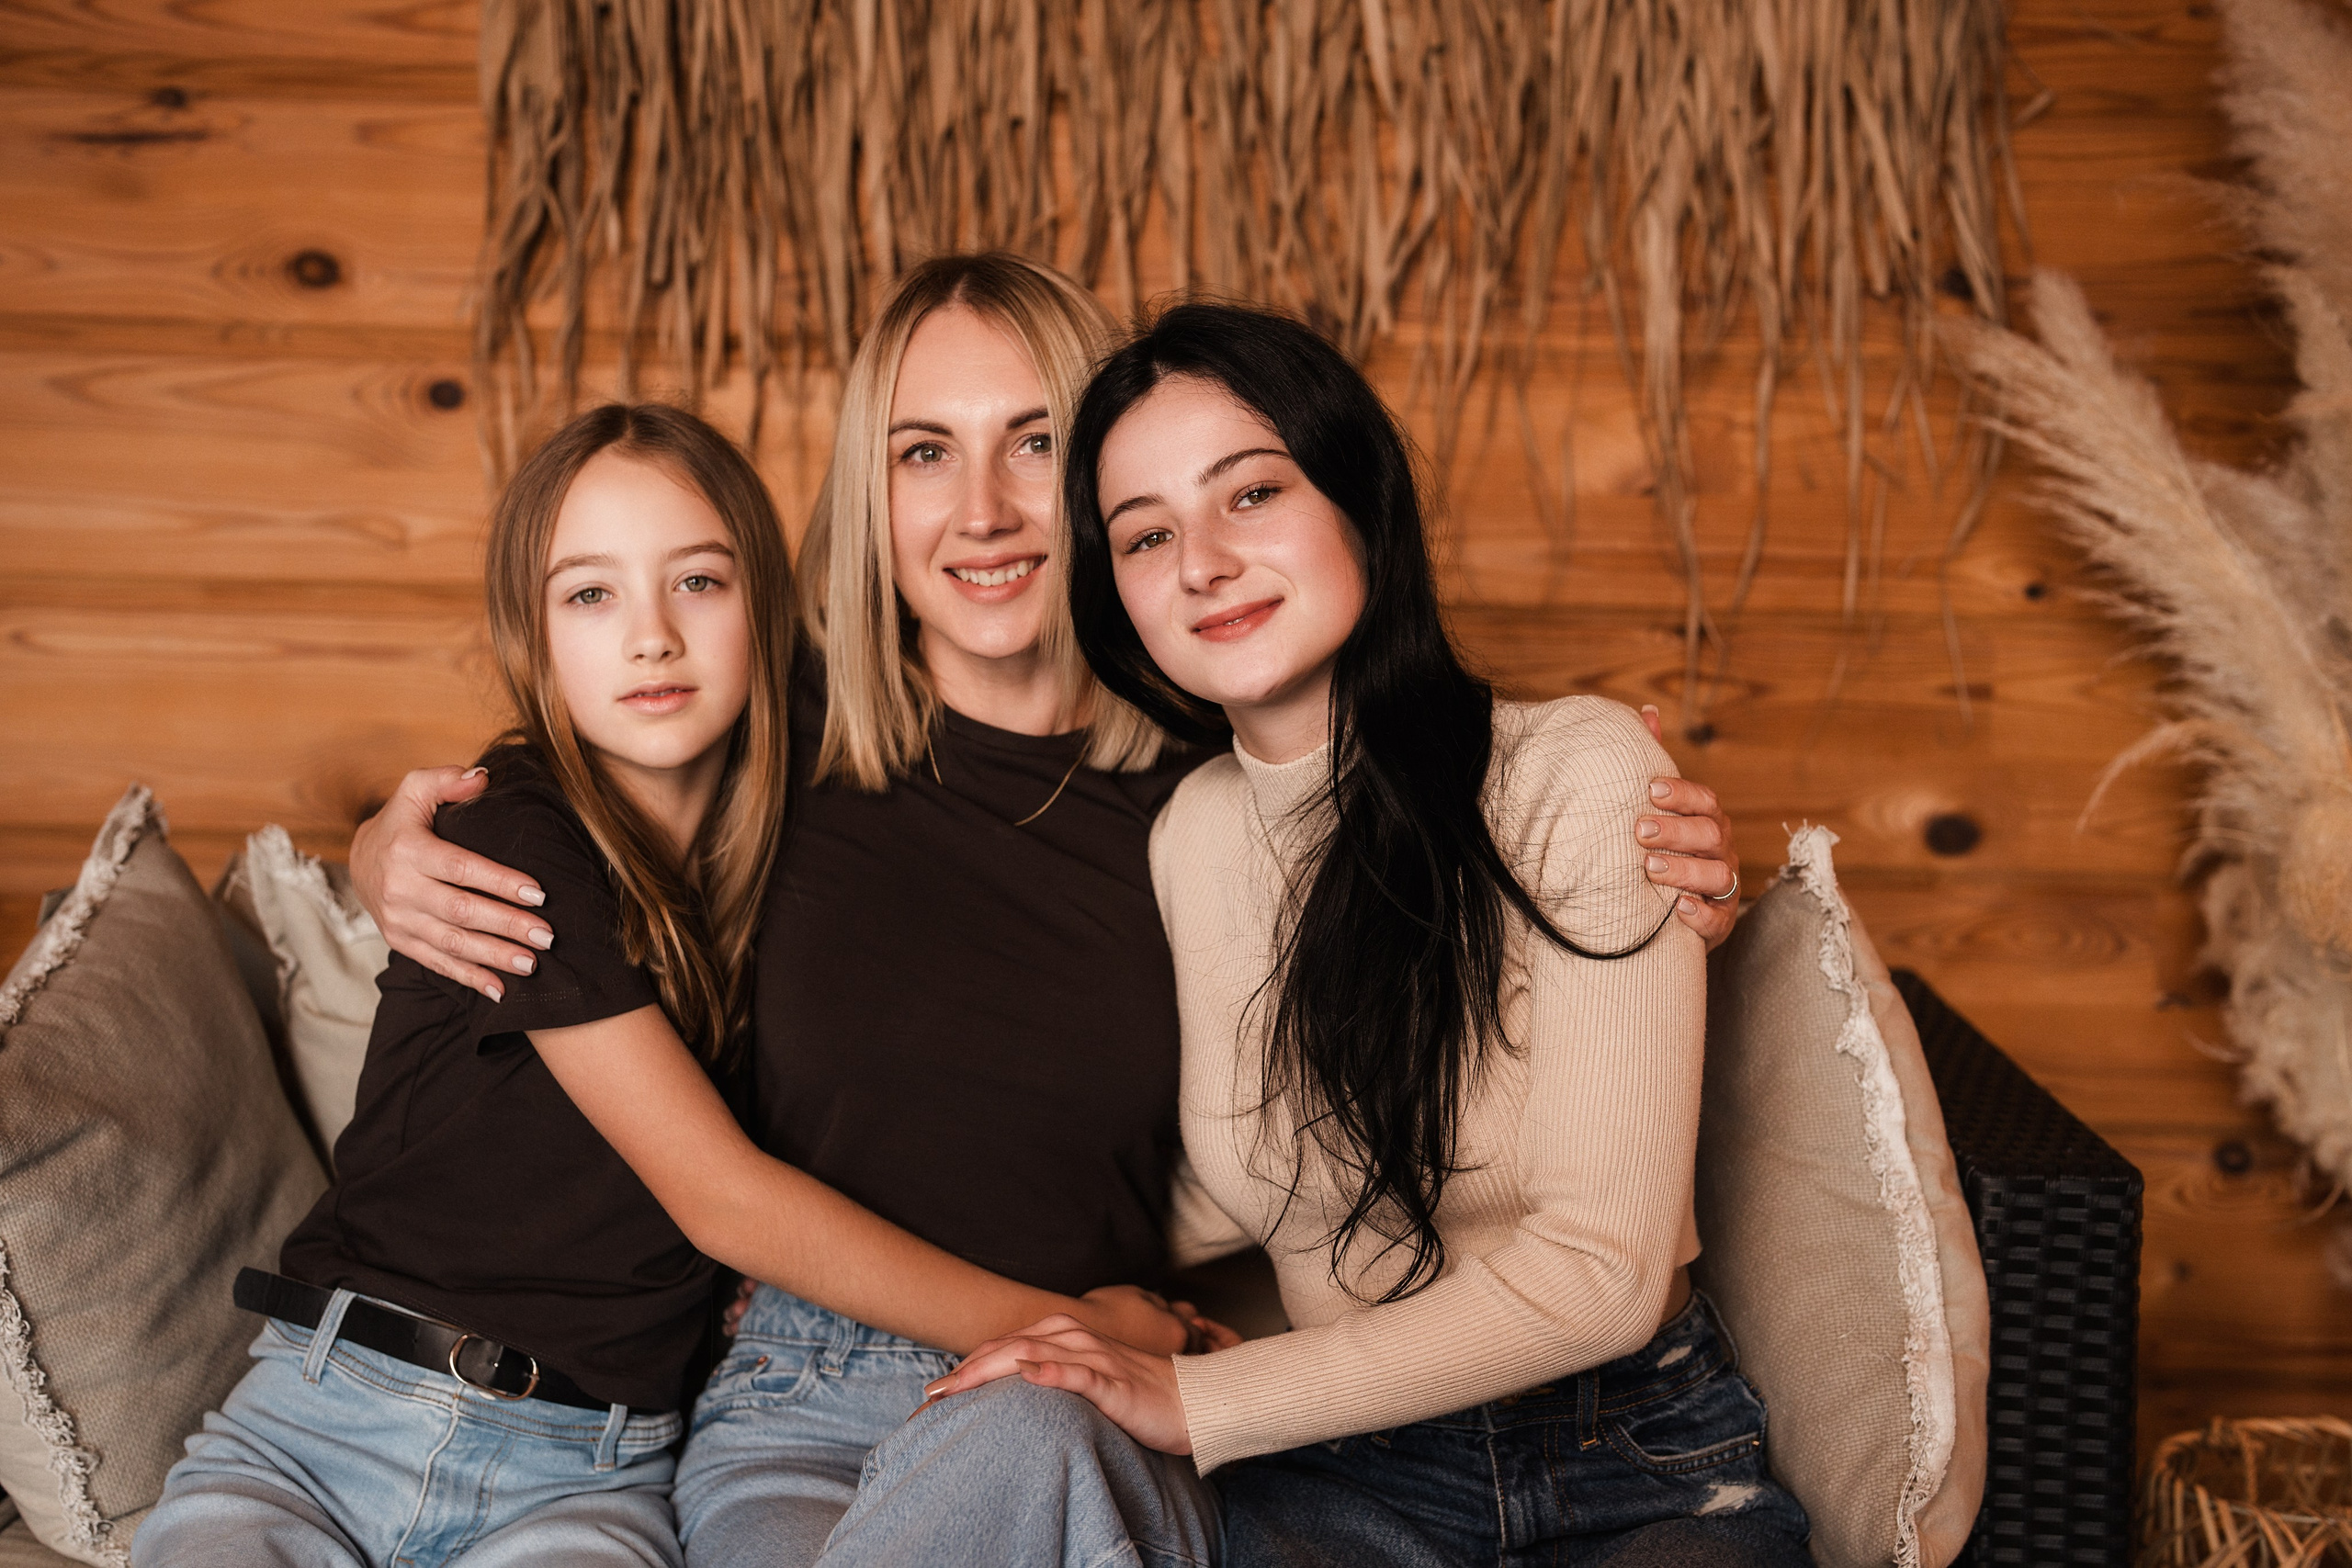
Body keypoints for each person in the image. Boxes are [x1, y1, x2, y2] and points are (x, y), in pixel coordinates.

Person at [348, 257, 1745, 1567]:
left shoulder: (1224, 786)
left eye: (1033, 442)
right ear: (869, 493)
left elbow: (1429, 878)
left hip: (1082, 1392)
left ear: (1099, 485)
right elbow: (573, 756)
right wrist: (383, 850)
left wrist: (1649, 869)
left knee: (1021, 1446)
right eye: (922, 452)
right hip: (805, 1383)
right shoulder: (778, 739)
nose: (984, 512)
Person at [136, 402, 1193, 1568]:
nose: (651, 637)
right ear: (532, 638)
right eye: (590, 594)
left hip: (589, 1476)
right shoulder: (515, 836)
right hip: (329, 1419)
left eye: (698, 582)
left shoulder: (803, 841)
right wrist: (1077, 1331)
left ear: (768, 617)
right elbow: (723, 1201)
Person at [916, 302, 1812, 1567]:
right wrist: (832, 1259)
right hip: (1354, 1470)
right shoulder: (1192, 835)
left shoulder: (1580, 774)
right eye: (1145, 535)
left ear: (1360, 499)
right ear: (1115, 597)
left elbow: (1605, 1272)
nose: (1203, 564)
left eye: (1252, 494)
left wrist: (1199, 1403)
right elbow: (1193, 1183)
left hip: (1639, 1459)